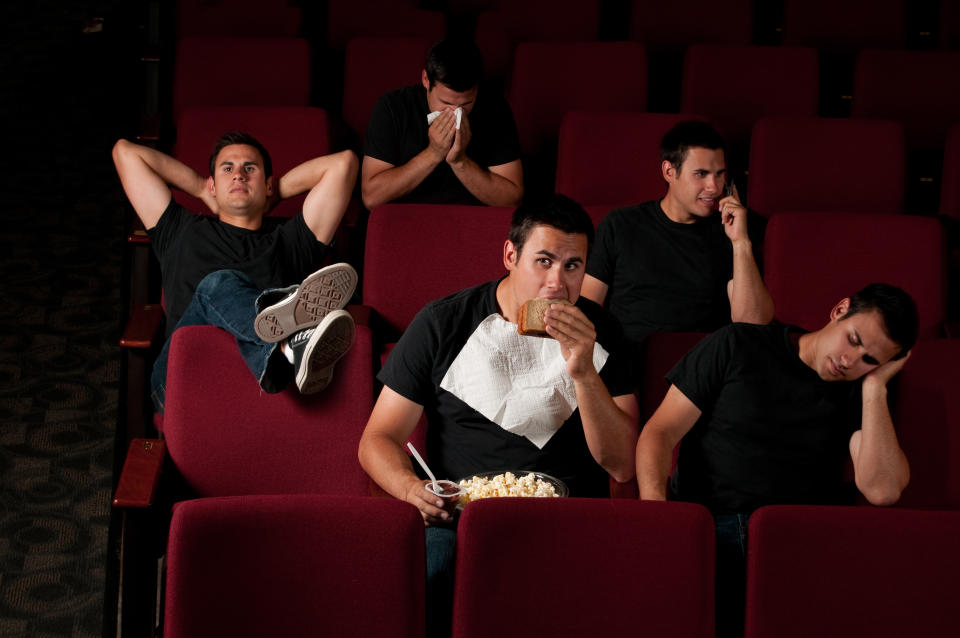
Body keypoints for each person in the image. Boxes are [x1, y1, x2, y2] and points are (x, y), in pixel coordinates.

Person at [358, 194, 638, 637]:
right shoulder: (443, 322)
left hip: (567, 519)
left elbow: (623, 462)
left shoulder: (602, 332)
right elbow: (378, 437)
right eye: (543, 261)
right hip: (461, 520)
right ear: (510, 255)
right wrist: (412, 490)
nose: (556, 284)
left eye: (573, 266)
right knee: (428, 573)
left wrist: (583, 371)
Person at [636, 283, 918, 637]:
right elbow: (659, 433)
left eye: (870, 360)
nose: (850, 361)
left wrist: (875, 388)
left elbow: (883, 490)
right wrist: (658, 522)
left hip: (795, 544)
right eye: (854, 339)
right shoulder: (738, 343)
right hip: (711, 524)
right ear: (840, 309)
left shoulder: (862, 391)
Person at [112, 133, 359, 412]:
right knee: (216, 285)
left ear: (267, 184)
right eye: (227, 169)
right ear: (213, 184)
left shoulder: (290, 242)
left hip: (264, 387)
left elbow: (344, 164)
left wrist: (274, 190)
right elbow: (126, 153)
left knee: (219, 283)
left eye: (250, 169)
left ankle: (288, 350)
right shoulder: (180, 230)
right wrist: (200, 188)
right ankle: (290, 346)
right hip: (181, 379)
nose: (239, 175)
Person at [581, 120, 774, 345]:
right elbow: (587, 311)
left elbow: (752, 324)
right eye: (701, 174)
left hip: (703, 367)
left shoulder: (733, 229)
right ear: (669, 172)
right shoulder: (620, 224)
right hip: (629, 361)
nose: (714, 186)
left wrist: (740, 241)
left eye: (720, 174)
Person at [361, 39, 523, 209]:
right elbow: (371, 198)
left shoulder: (495, 108)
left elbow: (512, 200)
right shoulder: (393, 107)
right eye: (445, 102)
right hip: (407, 217)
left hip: (472, 218)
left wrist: (460, 162)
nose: (455, 112)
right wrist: (434, 153)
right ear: (425, 79)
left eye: (466, 104)